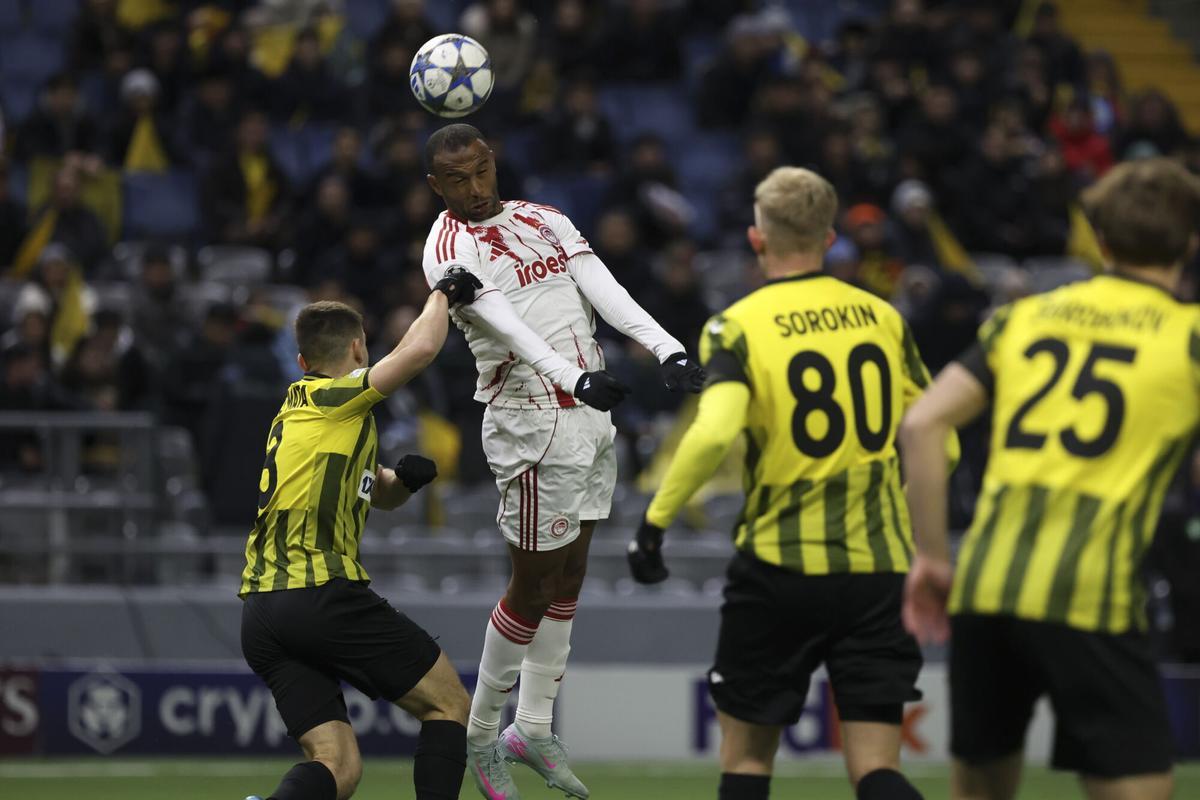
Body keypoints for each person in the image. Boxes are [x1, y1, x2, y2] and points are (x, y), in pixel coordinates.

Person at [627, 167, 947, 800]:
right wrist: (905, 518)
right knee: (878, 768)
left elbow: (714, 433)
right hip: (878, 571)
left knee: (746, 762)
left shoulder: (738, 325)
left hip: (780, 567)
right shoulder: (883, 318)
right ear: (831, 238)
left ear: (757, 238)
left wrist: (653, 525)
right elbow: (942, 436)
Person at [898, 158, 1200, 800]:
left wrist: (931, 559)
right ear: (1191, 241)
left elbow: (922, 424)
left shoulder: (1024, 317)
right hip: (1093, 596)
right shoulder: (1190, 338)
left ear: (1102, 239)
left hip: (986, 587)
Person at [421, 123, 706, 799]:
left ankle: (534, 726)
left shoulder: (544, 218)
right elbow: (500, 322)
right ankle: (483, 736)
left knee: (571, 572)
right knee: (531, 583)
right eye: (459, 180)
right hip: (527, 420)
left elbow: (597, 283)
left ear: (495, 161)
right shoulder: (446, 249)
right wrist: (568, 378)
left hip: (588, 414)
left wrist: (665, 347)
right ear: (437, 185)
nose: (477, 187)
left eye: (484, 170)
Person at [239, 269, 484, 800]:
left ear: (301, 362)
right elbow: (419, 350)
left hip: (261, 612)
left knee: (338, 765)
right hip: (318, 592)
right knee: (449, 705)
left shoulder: (296, 410)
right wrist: (442, 292)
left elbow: (379, 492)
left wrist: (404, 480)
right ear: (358, 348)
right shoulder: (341, 397)